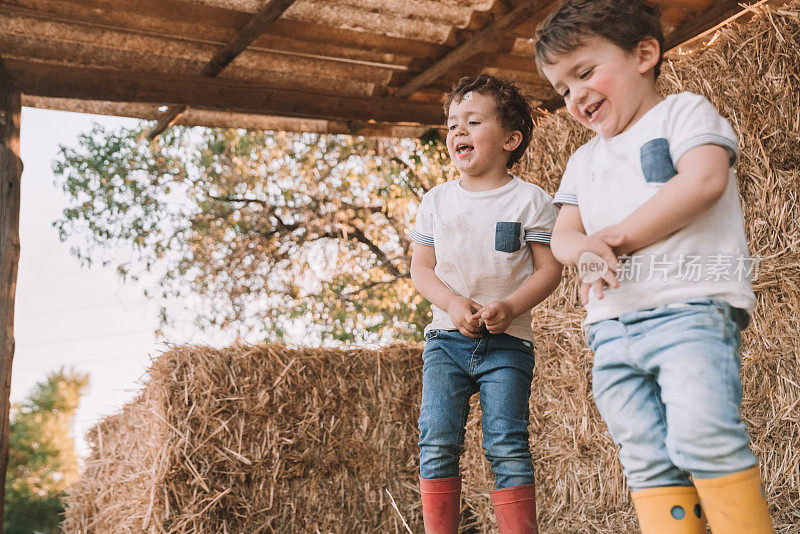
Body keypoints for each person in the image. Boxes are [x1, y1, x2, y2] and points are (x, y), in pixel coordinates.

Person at [534, 1, 773, 533]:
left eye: (585, 72)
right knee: (645, 456)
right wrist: (588, 251)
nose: (575, 96)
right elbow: (563, 236)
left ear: (645, 54)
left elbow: (704, 180)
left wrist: (618, 236)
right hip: (610, 328)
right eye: (562, 89)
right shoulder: (582, 160)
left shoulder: (683, 113)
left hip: (690, 307)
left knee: (702, 436)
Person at [409, 74, 562, 533]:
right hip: (445, 341)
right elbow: (421, 268)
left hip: (508, 344)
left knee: (507, 444)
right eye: (453, 124)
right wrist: (453, 304)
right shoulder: (435, 201)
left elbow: (549, 269)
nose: (458, 132)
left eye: (473, 122)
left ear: (511, 139)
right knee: (436, 440)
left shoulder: (531, 201)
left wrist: (512, 306)